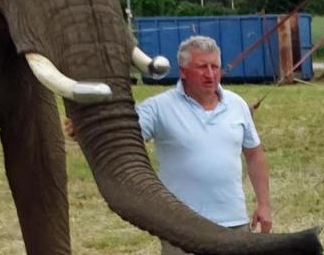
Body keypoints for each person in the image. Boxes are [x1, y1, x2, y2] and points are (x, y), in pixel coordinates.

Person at [66, 35, 272, 255]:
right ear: (183, 71)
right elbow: (120, 135)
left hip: (233, 223)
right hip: (180, 227)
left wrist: (264, 204)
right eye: (202, 67)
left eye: (215, 66)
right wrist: (87, 129)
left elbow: (254, 156)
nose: (211, 74)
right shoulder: (157, 108)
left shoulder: (237, 104)